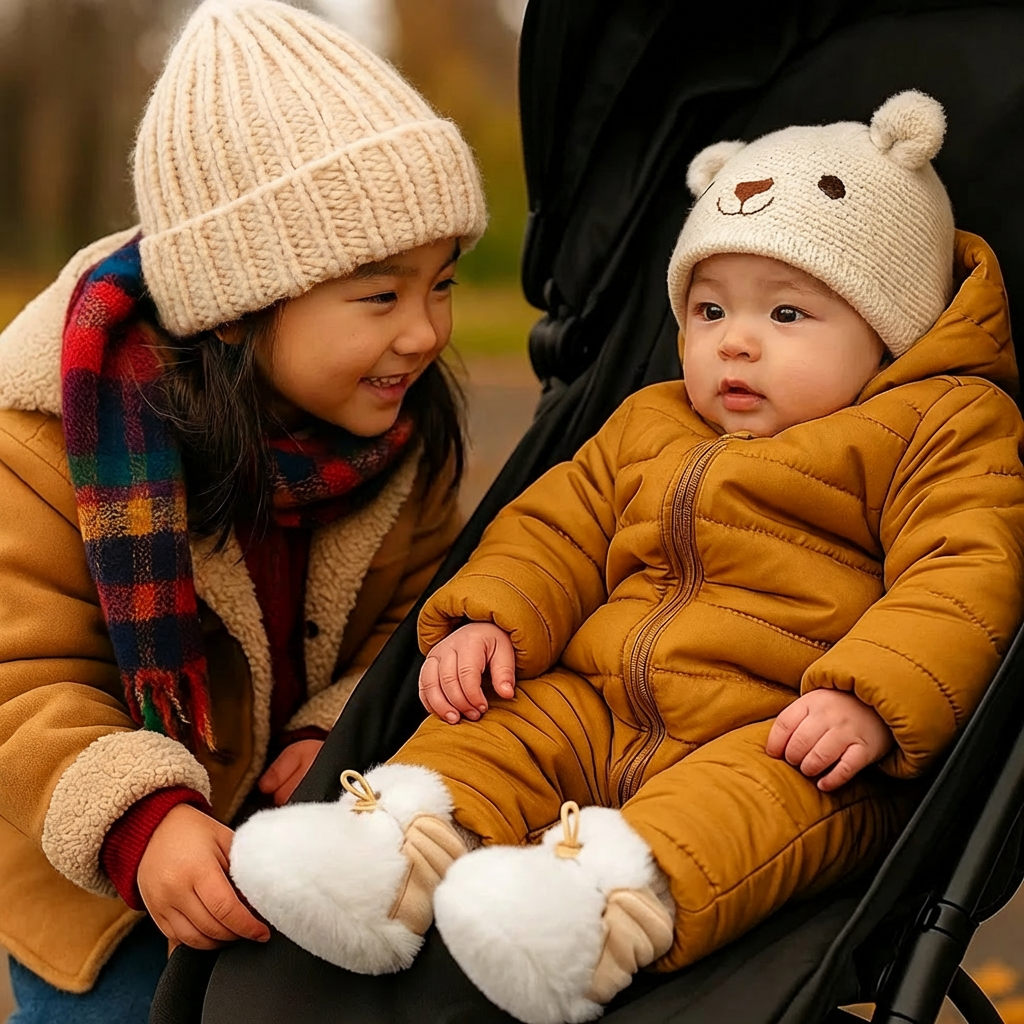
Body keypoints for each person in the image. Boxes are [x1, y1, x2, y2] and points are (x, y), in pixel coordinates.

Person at [231, 91, 1024, 1024]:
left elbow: (964, 575)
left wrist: (869, 694)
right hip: (599, 693)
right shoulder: (652, 419)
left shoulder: (940, 425)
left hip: (784, 728)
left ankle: (598, 911)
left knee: (750, 812)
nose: (735, 339)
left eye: (788, 313)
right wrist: (489, 617)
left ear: (890, 328)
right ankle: (394, 846)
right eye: (710, 307)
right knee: (494, 724)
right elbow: (555, 529)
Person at [0, 0, 487, 1020]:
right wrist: (141, 822)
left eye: (441, 283)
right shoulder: (46, 440)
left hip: (305, 859)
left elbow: (415, 617)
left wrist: (338, 723)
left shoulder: (399, 441)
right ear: (239, 299)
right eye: (380, 295)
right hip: (100, 880)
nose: (425, 331)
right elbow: (19, 684)